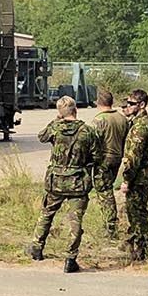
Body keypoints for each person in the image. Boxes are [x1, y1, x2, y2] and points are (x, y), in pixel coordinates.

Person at [30, 96, 99, 273]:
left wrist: (57, 119)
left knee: (47, 213)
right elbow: (96, 156)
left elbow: (41, 137)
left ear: (60, 113)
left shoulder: (56, 128)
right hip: (77, 181)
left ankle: (37, 248)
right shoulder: (87, 131)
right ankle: (70, 258)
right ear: (76, 110)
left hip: (56, 181)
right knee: (75, 221)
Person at [117, 88, 148, 262]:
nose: (128, 106)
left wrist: (126, 180)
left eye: (132, 104)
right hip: (141, 175)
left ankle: (141, 250)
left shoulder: (141, 126)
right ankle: (134, 244)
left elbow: (134, 157)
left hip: (139, 176)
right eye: (127, 103)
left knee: (137, 213)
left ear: (141, 105)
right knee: (134, 211)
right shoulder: (138, 123)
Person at [89, 89, 130, 239]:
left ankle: (110, 226)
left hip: (104, 159)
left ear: (98, 103)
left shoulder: (99, 120)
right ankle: (109, 223)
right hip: (117, 157)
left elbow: (92, 142)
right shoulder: (122, 118)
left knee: (105, 193)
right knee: (108, 188)